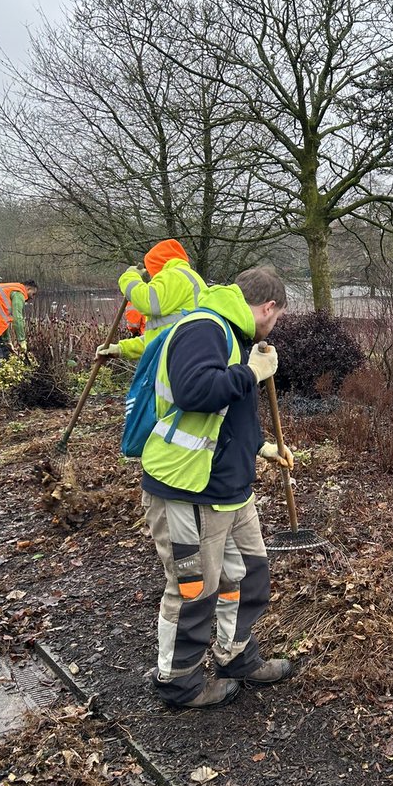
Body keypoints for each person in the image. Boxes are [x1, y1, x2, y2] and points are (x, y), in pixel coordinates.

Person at [141, 266, 295, 709]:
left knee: (247, 577)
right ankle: (180, 682)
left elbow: (225, 415)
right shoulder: (204, 327)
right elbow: (194, 392)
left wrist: (259, 447)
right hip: (189, 488)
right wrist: (251, 373)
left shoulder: (233, 332)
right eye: (277, 316)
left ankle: (236, 656)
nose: (274, 325)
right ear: (267, 307)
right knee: (195, 591)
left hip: (230, 487)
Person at [96, 239, 207, 361]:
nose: (152, 277)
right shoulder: (185, 279)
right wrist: (121, 349)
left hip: (181, 363)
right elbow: (155, 341)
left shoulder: (175, 275)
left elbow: (147, 302)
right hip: (183, 359)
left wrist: (130, 276)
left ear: (156, 266)